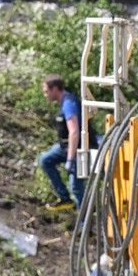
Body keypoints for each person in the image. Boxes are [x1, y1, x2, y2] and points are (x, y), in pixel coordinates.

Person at [38, 74, 94, 212]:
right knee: (45, 160)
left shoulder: (69, 104)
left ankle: (84, 226)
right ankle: (65, 198)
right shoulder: (64, 102)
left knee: (76, 186)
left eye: (46, 91)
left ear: (55, 89)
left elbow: (74, 131)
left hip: (77, 148)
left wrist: (70, 159)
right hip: (65, 146)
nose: (45, 95)